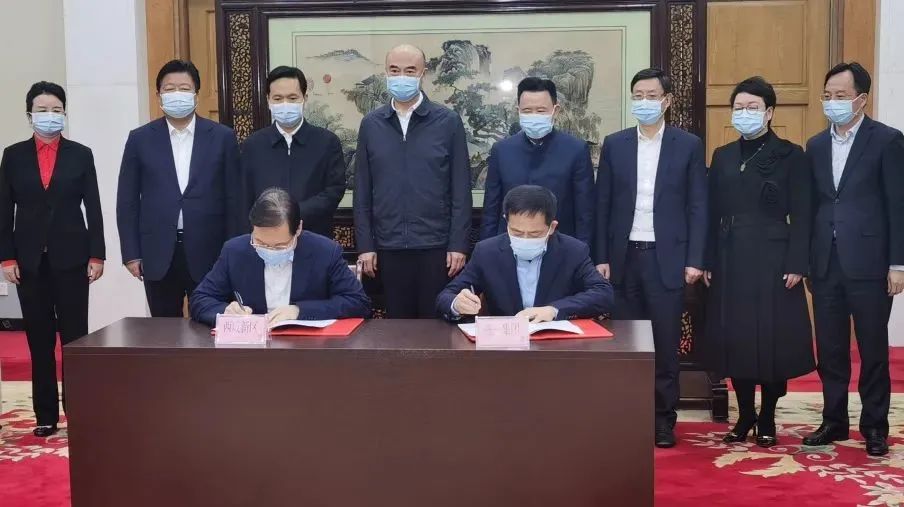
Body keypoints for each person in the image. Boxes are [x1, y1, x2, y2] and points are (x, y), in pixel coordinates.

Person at [593, 68, 707, 448]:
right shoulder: (615, 144)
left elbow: (698, 206)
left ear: (667, 100)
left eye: (651, 95)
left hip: (667, 259)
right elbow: (602, 204)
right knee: (625, 344)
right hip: (623, 258)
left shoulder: (687, 145)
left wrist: (695, 259)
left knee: (664, 343)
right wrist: (601, 255)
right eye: (637, 95)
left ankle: (662, 420)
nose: (644, 102)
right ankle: (629, 415)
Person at [702, 77, 815, 448]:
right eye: (739, 107)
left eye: (752, 107)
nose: (744, 113)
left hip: (773, 258)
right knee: (736, 338)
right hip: (729, 257)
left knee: (770, 339)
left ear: (769, 113)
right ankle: (745, 414)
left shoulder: (791, 155)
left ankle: (767, 416)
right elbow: (709, 213)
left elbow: (803, 214)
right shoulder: (723, 155)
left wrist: (798, 262)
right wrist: (707, 259)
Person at [803, 62, 904, 457]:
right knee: (829, 349)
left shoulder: (887, 141)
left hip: (870, 264)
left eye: (841, 96)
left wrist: (898, 264)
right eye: (827, 96)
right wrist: (808, 260)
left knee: (873, 349)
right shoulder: (815, 145)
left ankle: (875, 426)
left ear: (862, 99)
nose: (832, 102)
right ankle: (834, 420)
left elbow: (898, 205)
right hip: (825, 263)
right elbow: (813, 205)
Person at [0, 82, 105, 437]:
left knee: (75, 338)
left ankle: (78, 411)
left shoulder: (80, 154)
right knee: (39, 340)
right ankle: (45, 414)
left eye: (56, 109)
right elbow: (4, 211)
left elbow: (94, 207)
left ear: (64, 113)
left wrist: (97, 253)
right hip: (29, 261)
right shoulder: (13, 156)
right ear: (29, 115)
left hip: (72, 258)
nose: (50, 115)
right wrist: (6, 257)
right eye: (42, 110)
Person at [353, 44, 472, 318]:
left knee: (436, 325)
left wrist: (458, 244)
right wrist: (365, 245)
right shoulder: (371, 124)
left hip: (436, 246)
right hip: (387, 247)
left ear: (423, 74)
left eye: (410, 71)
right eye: (394, 70)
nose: (401, 77)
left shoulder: (448, 122)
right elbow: (362, 190)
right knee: (397, 327)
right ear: (386, 72)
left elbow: (460, 189)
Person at [117, 59, 242, 317]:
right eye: (169, 89)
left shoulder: (222, 137)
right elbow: (127, 200)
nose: (177, 94)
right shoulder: (140, 139)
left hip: (211, 251)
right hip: (158, 252)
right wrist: (131, 253)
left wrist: (234, 251)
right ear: (158, 95)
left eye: (184, 89)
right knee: (163, 330)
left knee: (211, 323)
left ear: (196, 95)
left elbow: (235, 199)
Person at [190, 188, 370, 326]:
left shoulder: (325, 251)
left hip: (308, 352)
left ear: (298, 229)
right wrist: (226, 311)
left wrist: (299, 311)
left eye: (280, 246)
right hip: (251, 351)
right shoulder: (235, 251)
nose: (270, 250)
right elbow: (200, 299)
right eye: (260, 243)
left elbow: (358, 302)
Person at [437, 185, 612, 321]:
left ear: (552, 227)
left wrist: (554, 310)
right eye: (517, 232)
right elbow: (446, 296)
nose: (525, 239)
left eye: (535, 234)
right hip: (505, 344)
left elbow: (603, 294)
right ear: (506, 222)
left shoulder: (573, 251)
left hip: (556, 344)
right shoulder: (487, 252)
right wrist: (457, 304)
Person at [480, 77, 594, 244]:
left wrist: (583, 252)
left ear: (555, 110)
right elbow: (491, 209)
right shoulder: (502, 150)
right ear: (518, 111)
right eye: (527, 110)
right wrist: (487, 250)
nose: (534, 116)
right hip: (510, 244)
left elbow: (585, 211)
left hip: (561, 246)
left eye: (541, 111)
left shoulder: (576, 150)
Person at [240, 66, 346, 237]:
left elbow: (334, 191)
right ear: (268, 100)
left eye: (292, 98)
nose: (285, 104)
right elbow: (244, 197)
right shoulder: (253, 145)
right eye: (278, 98)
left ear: (305, 98)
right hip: (266, 239)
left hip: (313, 236)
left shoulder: (327, 142)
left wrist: (292, 214)